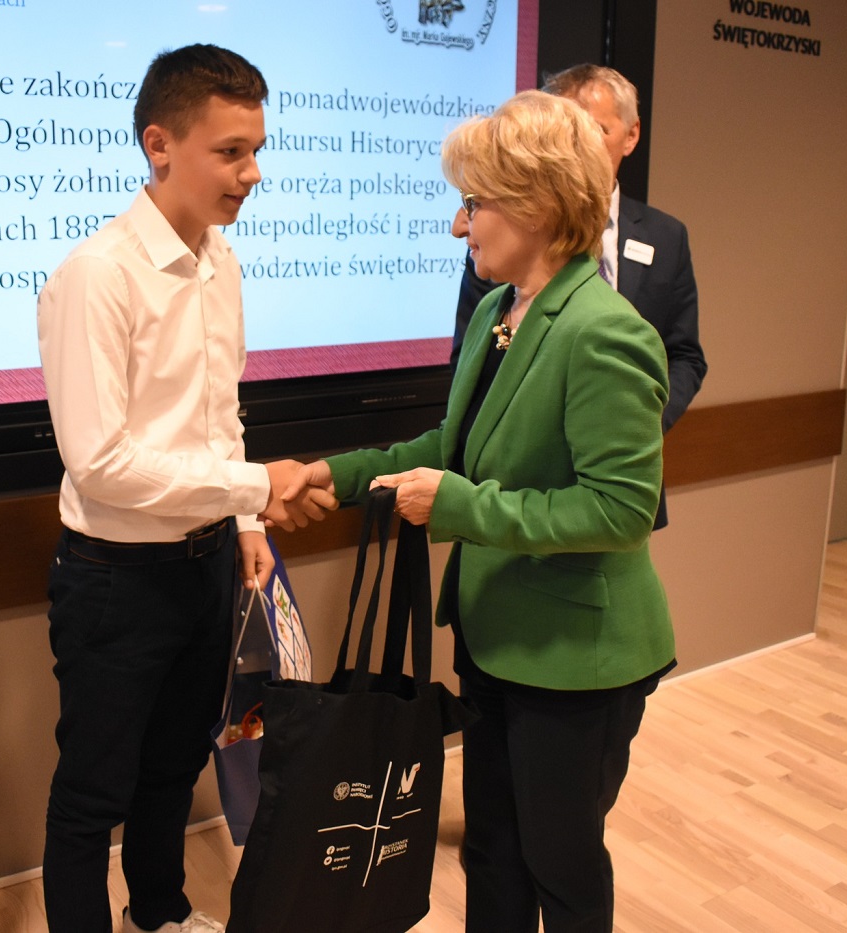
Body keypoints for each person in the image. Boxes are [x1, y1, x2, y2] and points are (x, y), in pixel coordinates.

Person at [286, 90, 675, 932]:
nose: (460, 224)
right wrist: (333, 474)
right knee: (492, 848)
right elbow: (451, 445)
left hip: (577, 660)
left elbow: (619, 511)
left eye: (475, 201)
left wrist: (462, 507)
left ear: (538, 204)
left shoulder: (604, 332)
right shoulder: (501, 312)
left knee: (560, 865)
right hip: (499, 637)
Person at [36, 44, 332, 933]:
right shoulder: (99, 274)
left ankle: (158, 915)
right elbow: (101, 461)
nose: (253, 173)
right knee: (94, 791)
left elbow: (218, 411)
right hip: (115, 578)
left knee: (173, 766)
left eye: (257, 150)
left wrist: (245, 522)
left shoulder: (220, 260)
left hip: (206, 564)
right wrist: (258, 484)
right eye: (231, 151)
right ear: (159, 144)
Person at [452, 63, 706, 529]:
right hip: (508, 501)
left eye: (592, 131)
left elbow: (684, 354)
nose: (575, 146)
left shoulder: (662, 243)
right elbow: (472, 383)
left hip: (591, 512)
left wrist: (631, 424)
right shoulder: (497, 295)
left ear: (630, 135)